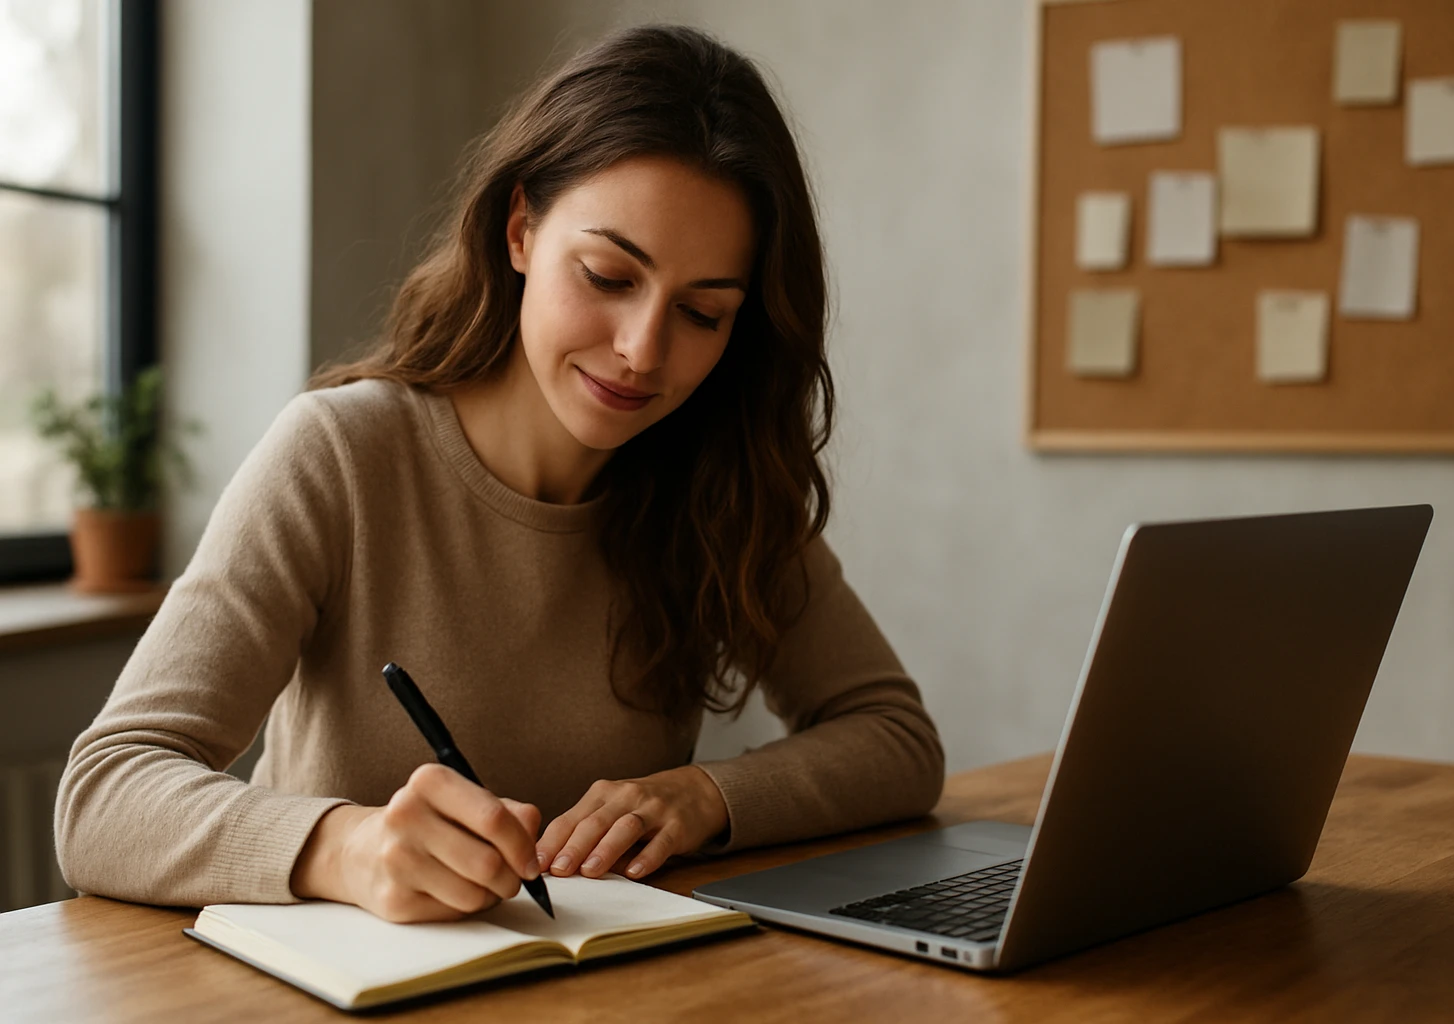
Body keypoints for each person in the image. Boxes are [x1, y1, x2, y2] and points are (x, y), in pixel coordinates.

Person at [55, 24, 944, 924]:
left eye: (703, 313)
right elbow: (102, 798)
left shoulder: (718, 478)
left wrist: (706, 795)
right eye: (606, 275)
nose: (642, 351)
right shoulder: (340, 456)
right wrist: (344, 847)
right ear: (520, 229)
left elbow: (896, 740)